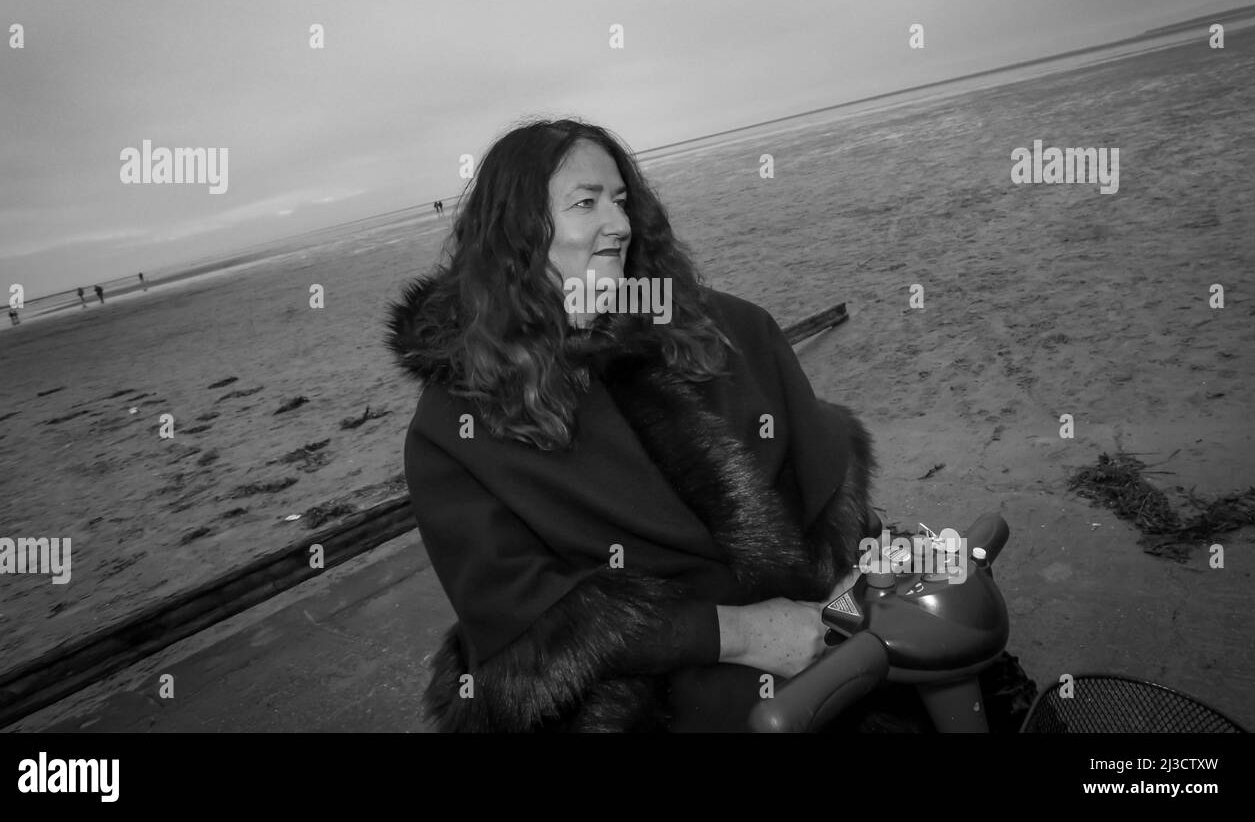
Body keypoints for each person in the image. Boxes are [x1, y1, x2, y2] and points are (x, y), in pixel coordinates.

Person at [388, 118, 1031, 732]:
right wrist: (742, 634)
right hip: (640, 696)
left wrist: (879, 562)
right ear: (516, 236)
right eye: (586, 204)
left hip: (829, 638)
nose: (618, 224)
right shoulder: (455, 423)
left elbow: (826, 491)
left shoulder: (729, 328)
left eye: (621, 200)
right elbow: (524, 617)